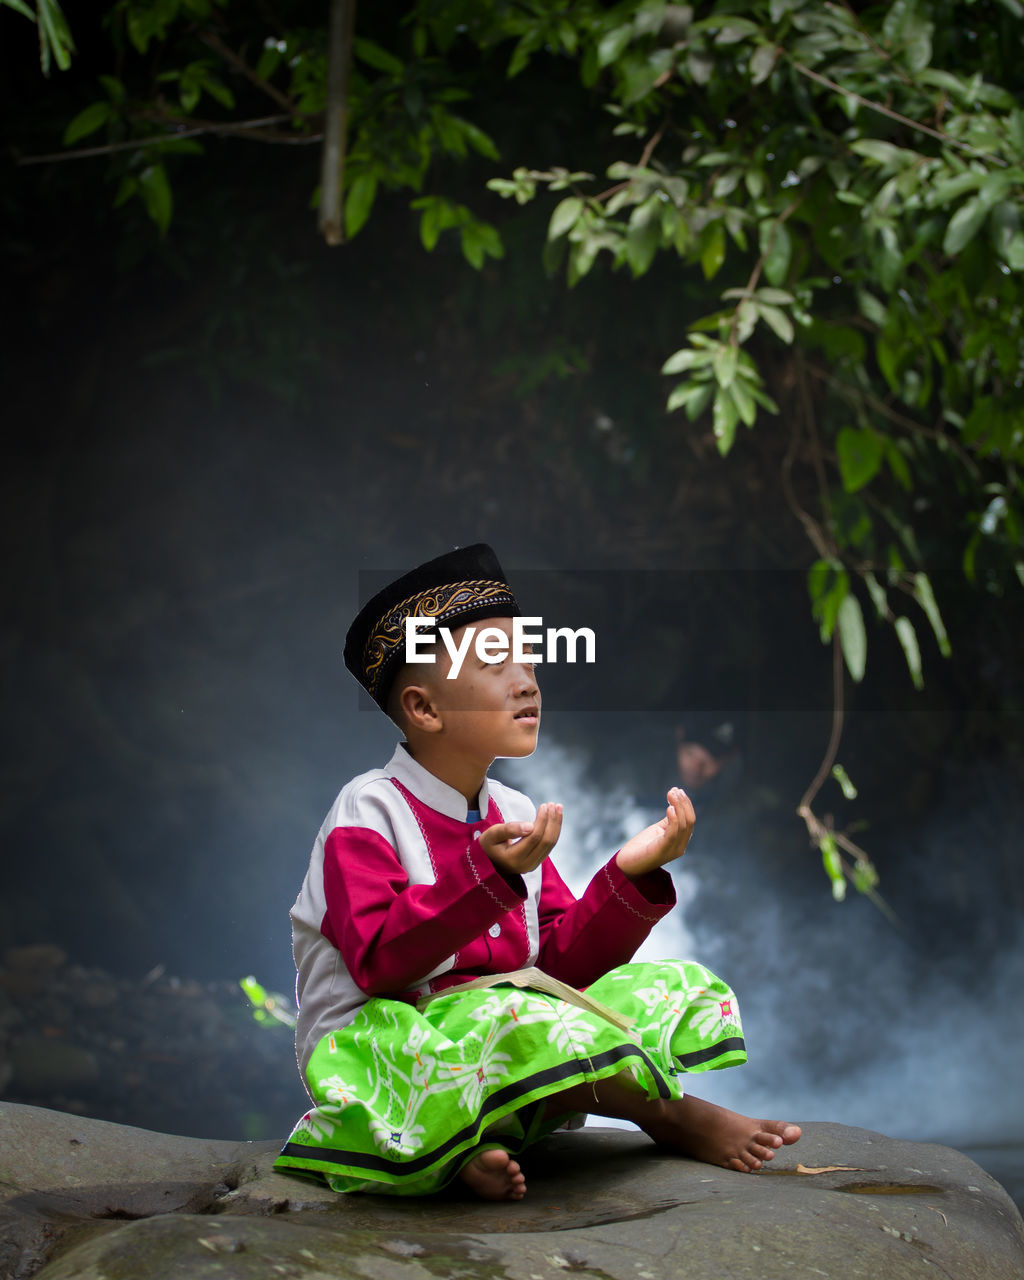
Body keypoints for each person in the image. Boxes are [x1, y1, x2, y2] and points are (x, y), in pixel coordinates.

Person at [274, 545, 800, 1201]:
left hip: (497, 1038)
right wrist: (484, 875)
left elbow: (559, 967)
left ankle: (475, 1135)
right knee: (497, 1021)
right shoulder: (367, 811)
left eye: (526, 658)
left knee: (659, 987)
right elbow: (381, 965)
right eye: (495, 664)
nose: (526, 680)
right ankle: (661, 1114)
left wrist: (629, 875)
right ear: (425, 710)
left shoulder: (514, 810)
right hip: (382, 1054)